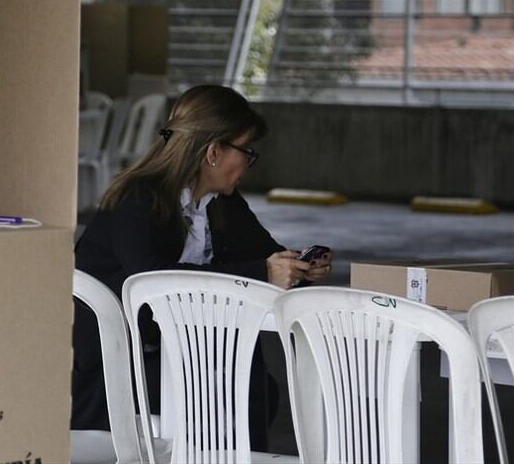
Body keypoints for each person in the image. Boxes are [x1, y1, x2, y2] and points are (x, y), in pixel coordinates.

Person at [71, 85, 333, 448]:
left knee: (253, 382)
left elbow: (264, 254)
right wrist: (263, 273)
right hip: (123, 367)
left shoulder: (220, 202)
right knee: (238, 385)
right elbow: (154, 283)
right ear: (213, 151)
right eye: (247, 152)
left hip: (180, 352)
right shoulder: (137, 199)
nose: (248, 164)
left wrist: (298, 266)